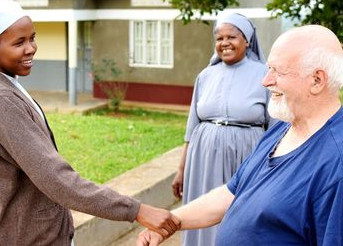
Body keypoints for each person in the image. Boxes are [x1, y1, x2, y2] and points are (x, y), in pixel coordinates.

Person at [0, 0, 180, 246]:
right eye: (19, 42)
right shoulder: (0, 98)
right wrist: (136, 210)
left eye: (32, 38)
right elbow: (55, 177)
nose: (31, 48)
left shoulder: (0, 84)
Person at [136, 24, 343, 246]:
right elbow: (231, 193)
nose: (266, 81)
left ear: (317, 80)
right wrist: (171, 223)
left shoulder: (336, 164)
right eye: (268, 69)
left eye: (277, 71)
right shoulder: (282, 129)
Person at [171, 13, 274, 245]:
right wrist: (181, 169)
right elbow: (192, 125)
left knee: (239, 212)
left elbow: (276, 128)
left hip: (246, 157)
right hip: (203, 159)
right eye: (219, 38)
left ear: (247, 40)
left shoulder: (265, 75)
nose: (224, 43)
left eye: (232, 37)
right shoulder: (205, 76)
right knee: (201, 209)